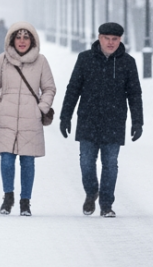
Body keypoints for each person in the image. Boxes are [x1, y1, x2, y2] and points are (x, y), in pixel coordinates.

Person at [59, 22, 143, 218]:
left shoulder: (127, 62)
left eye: (115, 39)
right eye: (107, 38)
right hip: (88, 119)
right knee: (86, 162)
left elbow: (135, 94)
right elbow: (73, 89)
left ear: (120, 40)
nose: (111, 42)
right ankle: (91, 192)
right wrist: (65, 116)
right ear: (99, 38)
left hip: (114, 121)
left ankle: (106, 204)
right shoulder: (85, 59)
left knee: (110, 163)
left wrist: (138, 121)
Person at [0, 22, 56, 216]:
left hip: (30, 119)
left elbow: (49, 88)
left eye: (26, 37)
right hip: (6, 119)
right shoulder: (2, 61)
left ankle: (25, 201)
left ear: (32, 40)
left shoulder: (41, 61)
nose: (22, 41)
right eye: (18, 37)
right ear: (12, 39)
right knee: (6, 159)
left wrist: (40, 108)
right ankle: (8, 197)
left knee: (27, 162)